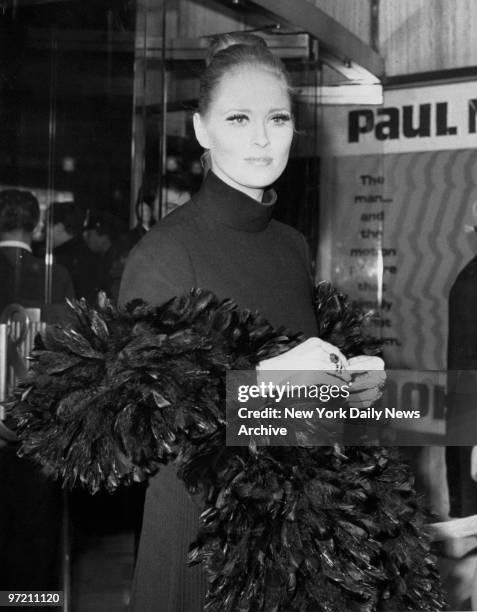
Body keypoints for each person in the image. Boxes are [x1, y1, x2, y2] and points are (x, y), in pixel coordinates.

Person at [119, 33, 386, 611]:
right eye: (239, 118)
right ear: (200, 130)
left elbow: (292, 414)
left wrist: (347, 387)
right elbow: (142, 424)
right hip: (201, 540)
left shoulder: (290, 245)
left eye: (278, 118)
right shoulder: (166, 253)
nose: (263, 138)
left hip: (289, 538)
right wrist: (265, 383)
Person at [0, 189, 74, 596]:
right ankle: (29, 602)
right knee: (33, 533)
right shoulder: (54, 276)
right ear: (37, 225)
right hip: (37, 420)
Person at [51, 200, 102, 302]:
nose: (43, 230)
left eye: (46, 225)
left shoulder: (60, 259)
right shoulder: (89, 255)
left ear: (59, 227)